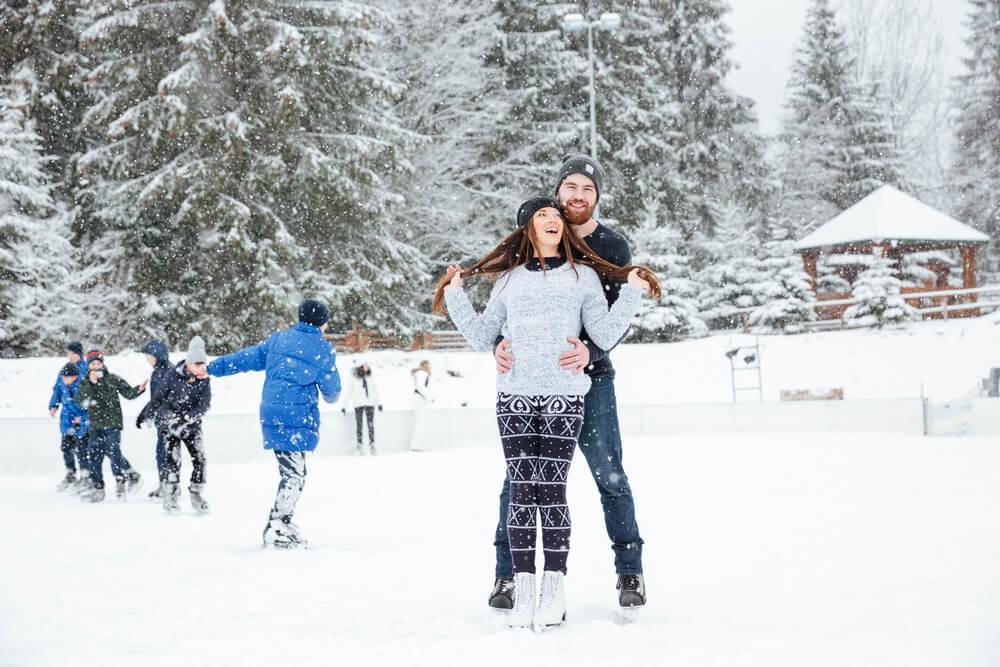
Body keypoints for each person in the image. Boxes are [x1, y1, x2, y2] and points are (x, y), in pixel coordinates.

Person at [433, 195, 659, 628]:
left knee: (551, 490)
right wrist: (457, 295)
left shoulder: (585, 278)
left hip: (564, 397)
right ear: (528, 228)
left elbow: (606, 333)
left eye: (556, 215)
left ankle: (554, 586)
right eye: (543, 215)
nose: (553, 220)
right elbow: (483, 337)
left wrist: (631, 293)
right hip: (514, 397)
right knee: (520, 490)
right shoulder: (508, 280)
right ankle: (523, 586)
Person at [489, 156, 652, 612]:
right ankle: (506, 576)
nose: (577, 196)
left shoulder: (611, 247)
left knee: (610, 476)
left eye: (587, 189)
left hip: (592, 382)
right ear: (556, 192)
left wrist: (591, 353)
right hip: (533, 383)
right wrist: (498, 345)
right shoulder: (532, 238)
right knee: (517, 483)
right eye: (570, 188)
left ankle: (630, 572)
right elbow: (509, 306)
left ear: (597, 196)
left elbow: (615, 319)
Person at [207, 299, 341, 548]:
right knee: (294, 475)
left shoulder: (279, 340)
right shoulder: (322, 349)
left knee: (294, 473)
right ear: (322, 322)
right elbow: (332, 393)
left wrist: (214, 367)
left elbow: (247, 358)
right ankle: (278, 525)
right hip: (296, 417)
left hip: (272, 413)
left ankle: (281, 523)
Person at [137, 336, 212, 514]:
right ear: (189, 363)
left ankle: (196, 493)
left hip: (191, 425)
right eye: (198, 364)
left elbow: (204, 404)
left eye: (203, 364)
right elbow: (159, 398)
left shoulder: (204, 379)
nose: (201, 368)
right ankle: (170, 494)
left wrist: (189, 416)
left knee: (200, 459)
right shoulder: (173, 375)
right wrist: (145, 414)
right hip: (170, 424)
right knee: (171, 460)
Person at [76, 350, 147, 502]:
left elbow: (128, 393)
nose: (96, 367)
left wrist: (139, 389)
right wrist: (91, 384)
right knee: (95, 455)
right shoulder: (84, 382)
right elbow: (81, 402)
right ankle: (98, 487)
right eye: (93, 364)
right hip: (95, 425)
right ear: (89, 367)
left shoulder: (113, 379)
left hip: (113, 423)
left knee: (114, 451)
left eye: (98, 364)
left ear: (103, 364)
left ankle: (120, 481)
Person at [138, 339, 173, 499]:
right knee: (162, 452)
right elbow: (155, 399)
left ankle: (170, 485)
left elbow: (163, 398)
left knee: (166, 452)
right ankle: (165, 483)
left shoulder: (167, 372)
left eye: (149, 356)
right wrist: (145, 413)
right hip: (163, 419)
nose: (147, 360)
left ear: (158, 355)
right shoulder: (159, 372)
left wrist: (148, 413)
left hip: (169, 419)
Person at [49, 363, 90, 491]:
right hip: (68, 422)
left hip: (81, 424)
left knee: (81, 450)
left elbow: (89, 406)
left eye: (66, 377)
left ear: (74, 377)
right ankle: (70, 473)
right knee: (66, 448)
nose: (64, 379)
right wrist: (53, 405)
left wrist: (82, 418)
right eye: (63, 377)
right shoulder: (63, 383)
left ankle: (85, 476)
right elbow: (57, 393)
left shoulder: (83, 386)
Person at [341, 362, 382, 455]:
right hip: (358, 404)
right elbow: (349, 392)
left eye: (367, 365)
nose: (366, 366)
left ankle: (372, 444)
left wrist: (379, 403)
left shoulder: (370, 378)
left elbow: (375, 391)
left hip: (370, 403)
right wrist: (344, 406)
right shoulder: (354, 379)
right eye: (364, 365)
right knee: (359, 425)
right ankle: (359, 445)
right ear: (360, 367)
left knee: (370, 425)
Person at [409, 360, 432, 451]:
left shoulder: (420, 373)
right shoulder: (422, 373)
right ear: (424, 366)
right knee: (420, 423)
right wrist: (427, 397)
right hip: (420, 398)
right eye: (428, 365)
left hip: (419, 398)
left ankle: (418, 445)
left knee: (420, 423)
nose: (429, 367)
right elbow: (420, 387)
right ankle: (416, 446)